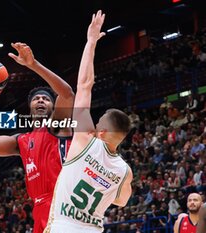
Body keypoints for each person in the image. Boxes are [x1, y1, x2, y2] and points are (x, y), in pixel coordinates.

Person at [44, 10, 133, 233]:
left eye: (98, 121)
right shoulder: (124, 171)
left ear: (101, 131)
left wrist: (91, 41)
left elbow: (84, 85)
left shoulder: (84, 139)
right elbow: (121, 201)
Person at [0, 42, 74, 233]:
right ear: (30, 108)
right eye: (37, 99)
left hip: (63, 205)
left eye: (46, 99)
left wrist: (33, 64)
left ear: (54, 108)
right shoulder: (21, 141)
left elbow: (67, 94)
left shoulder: (57, 126)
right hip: (39, 211)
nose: (41, 101)